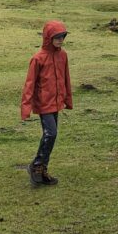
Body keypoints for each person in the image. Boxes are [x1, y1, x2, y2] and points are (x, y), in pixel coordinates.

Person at [20, 20, 73, 187]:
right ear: (48, 38)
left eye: (62, 36)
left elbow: (66, 78)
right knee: (51, 134)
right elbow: (29, 83)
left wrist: (67, 100)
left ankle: (42, 169)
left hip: (56, 102)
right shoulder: (37, 58)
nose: (60, 40)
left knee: (50, 135)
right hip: (44, 103)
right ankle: (36, 166)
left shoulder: (62, 55)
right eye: (57, 37)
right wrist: (26, 108)